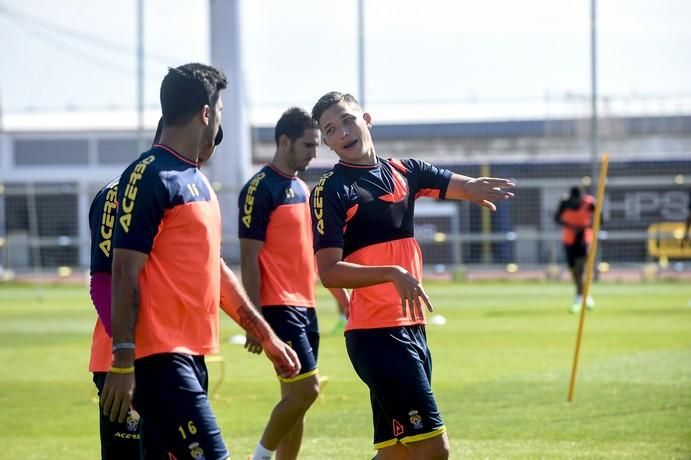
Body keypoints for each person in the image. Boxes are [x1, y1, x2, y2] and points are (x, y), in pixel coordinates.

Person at [100, 63, 301, 460]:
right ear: (205, 113)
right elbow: (123, 271)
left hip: (193, 355)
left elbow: (216, 272)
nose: (219, 119)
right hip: (160, 361)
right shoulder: (150, 174)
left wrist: (266, 336)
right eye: (220, 111)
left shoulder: (196, 180)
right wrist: (123, 362)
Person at [309, 91, 515, 460]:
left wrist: (475, 188)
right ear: (326, 142)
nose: (342, 131)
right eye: (330, 129)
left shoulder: (406, 171)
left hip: (412, 328)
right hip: (376, 336)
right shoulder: (331, 190)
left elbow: (458, 184)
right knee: (435, 449)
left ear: (366, 119)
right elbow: (328, 272)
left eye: (347, 120)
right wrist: (392, 273)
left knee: (398, 454)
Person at [238, 107, 349, 460]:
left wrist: (338, 295)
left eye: (316, 146)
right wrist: (253, 321)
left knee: (295, 400)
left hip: (306, 306)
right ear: (283, 141)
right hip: (277, 307)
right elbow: (249, 260)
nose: (314, 153)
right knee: (307, 391)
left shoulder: (304, 189)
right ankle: (259, 457)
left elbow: (316, 254)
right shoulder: (259, 189)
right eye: (307, 145)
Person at [554, 186, 596, 313]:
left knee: (581, 268)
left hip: (584, 239)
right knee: (575, 271)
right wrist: (571, 226)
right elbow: (556, 219)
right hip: (569, 239)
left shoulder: (590, 203)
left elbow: (600, 220)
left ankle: (581, 297)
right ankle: (583, 295)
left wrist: (585, 227)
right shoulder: (565, 203)